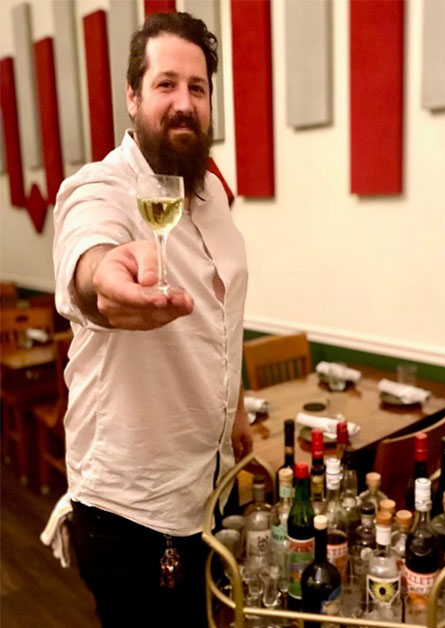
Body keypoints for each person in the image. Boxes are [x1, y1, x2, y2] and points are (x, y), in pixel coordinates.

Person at [51, 12, 252, 626]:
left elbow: (221, 313)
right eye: (166, 84)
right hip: (130, 512)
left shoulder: (212, 194)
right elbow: (89, 262)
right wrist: (102, 280)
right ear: (133, 97)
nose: (183, 103)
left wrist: (234, 408)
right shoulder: (102, 186)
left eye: (197, 88)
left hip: (206, 483)